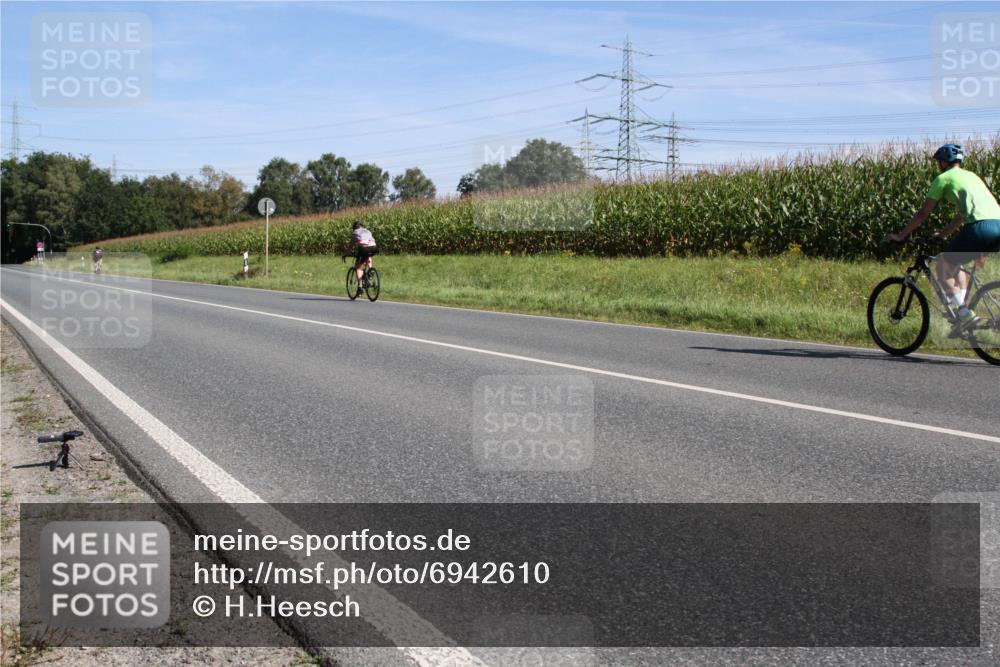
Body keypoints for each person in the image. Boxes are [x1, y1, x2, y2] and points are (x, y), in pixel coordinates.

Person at [885, 144, 1000, 335]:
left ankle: (964, 314)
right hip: (998, 224)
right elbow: (961, 216)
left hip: (981, 227)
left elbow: (923, 214)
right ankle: (962, 312)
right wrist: (942, 235)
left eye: (939, 161)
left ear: (944, 162)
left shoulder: (943, 179)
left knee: (942, 265)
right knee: (955, 265)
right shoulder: (972, 176)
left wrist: (901, 235)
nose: (938, 165)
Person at [351, 220, 378, 286]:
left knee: (358, 268)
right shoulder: (367, 231)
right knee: (368, 255)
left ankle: (360, 286)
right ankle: (371, 269)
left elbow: (351, 245)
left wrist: (347, 253)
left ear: (354, 227)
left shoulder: (355, 232)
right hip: (374, 247)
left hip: (364, 248)